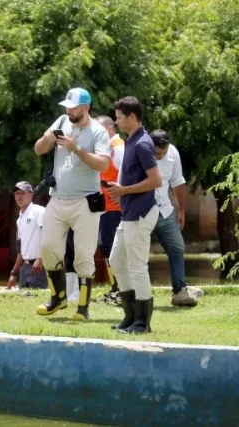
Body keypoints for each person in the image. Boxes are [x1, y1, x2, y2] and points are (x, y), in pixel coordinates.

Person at [33, 88, 110, 321]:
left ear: (86, 107)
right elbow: (38, 150)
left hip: (85, 200)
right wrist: (47, 139)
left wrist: (75, 147)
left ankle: (83, 308)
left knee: (83, 256)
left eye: (74, 107)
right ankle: (58, 298)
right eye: (67, 106)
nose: (69, 110)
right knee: (47, 248)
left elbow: (103, 166)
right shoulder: (61, 120)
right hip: (57, 198)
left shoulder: (98, 132)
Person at [107, 96, 162, 334]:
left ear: (132, 117)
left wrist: (124, 190)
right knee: (117, 261)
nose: (117, 121)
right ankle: (130, 316)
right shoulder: (130, 141)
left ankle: (142, 323)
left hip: (141, 214)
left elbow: (155, 180)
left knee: (137, 266)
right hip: (128, 213)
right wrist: (120, 191)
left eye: (120, 117)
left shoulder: (142, 144)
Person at [150, 129, 203, 307]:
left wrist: (181, 211)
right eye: (157, 153)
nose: (160, 156)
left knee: (177, 248)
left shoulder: (172, 152)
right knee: (136, 253)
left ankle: (180, 291)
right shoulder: (140, 152)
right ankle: (131, 293)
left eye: (163, 153)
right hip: (142, 211)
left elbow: (178, 181)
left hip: (165, 210)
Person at [95, 115, 125, 295]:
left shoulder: (118, 147)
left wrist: (123, 194)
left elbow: (129, 173)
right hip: (105, 207)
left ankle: (119, 288)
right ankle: (116, 287)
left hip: (115, 208)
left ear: (109, 129)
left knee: (109, 246)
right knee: (107, 246)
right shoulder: (108, 149)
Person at [7, 182, 47, 289]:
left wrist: (41, 258)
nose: (19, 196)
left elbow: (49, 235)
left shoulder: (38, 211)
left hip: (39, 266)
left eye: (22, 193)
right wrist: (14, 273)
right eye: (16, 194)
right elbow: (21, 250)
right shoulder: (20, 220)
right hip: (25, 268)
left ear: (31, 194)